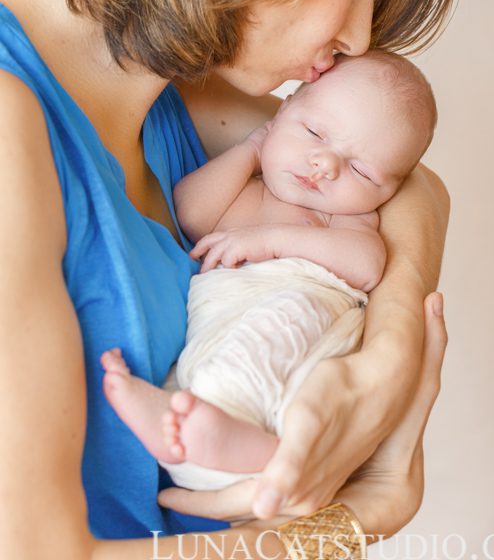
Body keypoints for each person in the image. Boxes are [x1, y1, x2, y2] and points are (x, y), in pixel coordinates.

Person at [0, 0, 460, 556]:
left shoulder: (170, 93)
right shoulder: (13, 120)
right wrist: (358, 518)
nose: (358, 37)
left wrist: (387, 348)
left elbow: (409, 183)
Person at [100, 50, 438, 494]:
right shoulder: (249, 185)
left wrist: (273, 241)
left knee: (271, 340)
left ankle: (249, 449)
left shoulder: (345, 219)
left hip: (300, 308)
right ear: (282, 110)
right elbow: (193, 213)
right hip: (220, 315)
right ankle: (203, 438)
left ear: (389, 191)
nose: (325, 165)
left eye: (361, 169)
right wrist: (249, 151)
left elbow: (368, 265)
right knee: (199, 373)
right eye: (314, 132)